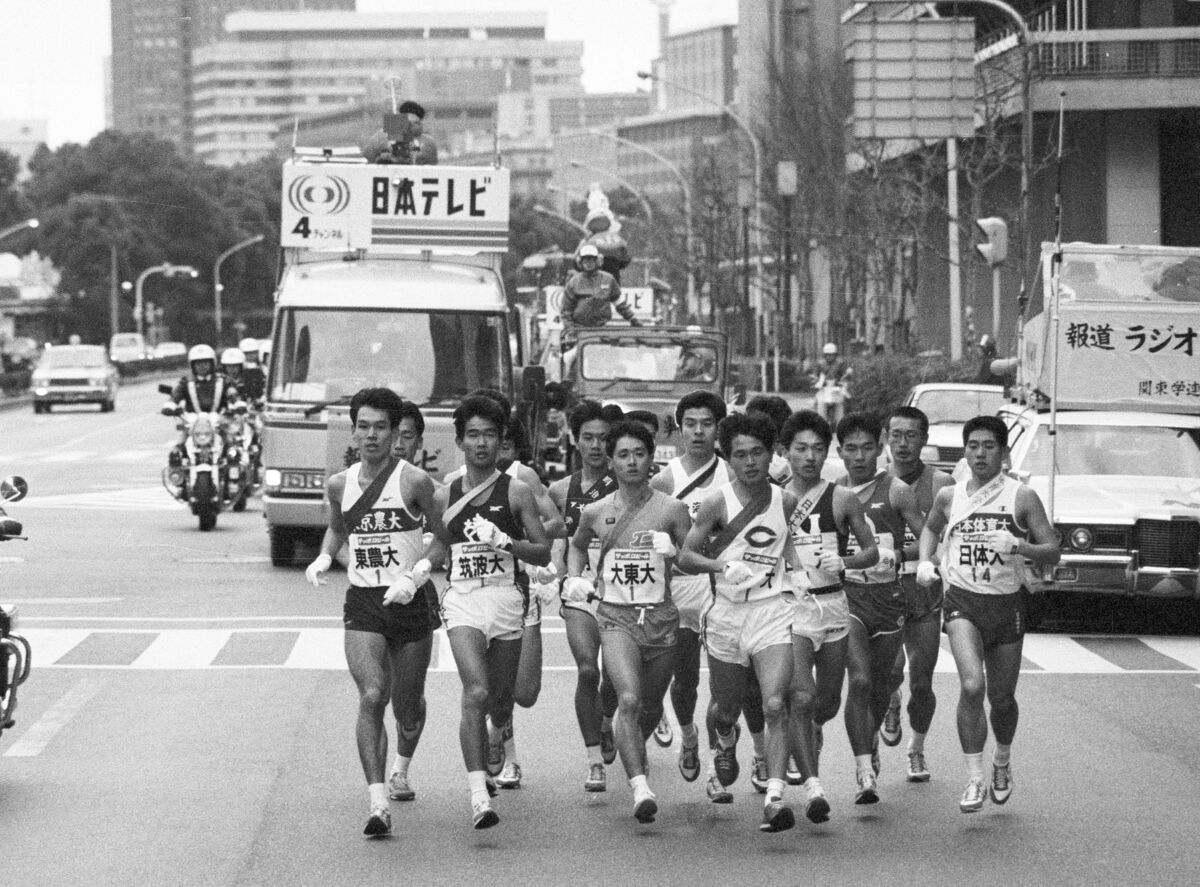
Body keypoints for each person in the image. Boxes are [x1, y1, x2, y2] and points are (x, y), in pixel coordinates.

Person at [303, 388, 441, 837]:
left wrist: (416, 575)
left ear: (394, 432)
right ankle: (378, 802)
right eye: (363, 426)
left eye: (381, 427)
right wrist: (325, 557)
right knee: (371, 695)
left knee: (407, 707)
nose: (372, 435)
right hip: (364, 602)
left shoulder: (415, 482)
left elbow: (445, 540)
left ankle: (403, 762)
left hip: (409, 603)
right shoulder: (340, 484)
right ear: (353, 430)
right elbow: (337, 529)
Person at [916, 415, 1059, 814]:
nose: (980, 453)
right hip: (963, 601)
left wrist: (1018, 545)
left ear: (1004, 452)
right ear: (965, 451)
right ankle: (975, 778)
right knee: (972, 686)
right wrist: (926, 560)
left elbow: (1053, 550)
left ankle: (1002, 761)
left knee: (1002, 699)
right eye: (973, 446)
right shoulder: (950, 495)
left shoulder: (1022, 497)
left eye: (989, 446)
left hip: (1006, 604)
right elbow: (931, 527)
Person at [429, 395, 550, 829]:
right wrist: (420, 569)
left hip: (506, 600)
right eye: (473, 435)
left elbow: (542, 550)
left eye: (490, 435)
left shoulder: (516, 491)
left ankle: (499, 734)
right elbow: (438, 543)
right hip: (462, 599)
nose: (482, 443)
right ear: (460, 441)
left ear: (502, 442)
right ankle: (480, 794)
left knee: (501, 701)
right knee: (474, 692)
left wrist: (506, 543)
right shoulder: (445, 493)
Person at [678, 412, 800, 833]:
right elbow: (685, 556)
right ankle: (725, 738)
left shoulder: (785, 501)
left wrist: (804, 583)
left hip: (772, 612)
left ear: (771, 454)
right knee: (726, 708)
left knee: (774, 704)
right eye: (740, 455)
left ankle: (775, 797)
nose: (750, 462)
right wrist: (720, 565)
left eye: (758, 453)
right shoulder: (716, 503)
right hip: (726, 615)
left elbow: (791, 553)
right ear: (728, 458)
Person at [567, 420, 691, 824]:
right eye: (623, 454)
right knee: (630, 699)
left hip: (661, 620)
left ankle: (623, 739)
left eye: (639, 453)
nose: (632, 461)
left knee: (650, 705)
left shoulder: (672, 509)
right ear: (612, 461)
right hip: (615, 619)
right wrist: (576, 577)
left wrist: (672, 548)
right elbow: (576, 546)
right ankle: (640, 787)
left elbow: (691, 559)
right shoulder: (595, 512)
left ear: (651, 457)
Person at [781, 410, 878, 824]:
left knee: (828, 702)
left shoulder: (841, 497)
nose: (809, 457)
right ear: (784, 452)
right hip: (792, 608)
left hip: (834, 604)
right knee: (800, 697)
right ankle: (813, 786)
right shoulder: (772, 498)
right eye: (800, 449)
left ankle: (812, 730)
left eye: (818, 449)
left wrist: (845, 560)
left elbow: (872, 552)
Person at [649, 391, 738, 795]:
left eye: (707, 424)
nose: (698, 432)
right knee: (684, 683)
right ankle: (688, 735)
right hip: (681, 591)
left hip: (725, 589)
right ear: (679, 428)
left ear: (719, 428)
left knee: (726, 688)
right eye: (690, 424)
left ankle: (720, 758)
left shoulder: (736, 474)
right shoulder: (664, 480)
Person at [835, 413, 925, 805]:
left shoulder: (898, 490)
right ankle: (863, 769)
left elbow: (930, 541)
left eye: (867, 447)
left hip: (889, 602)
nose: (859, 456)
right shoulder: (833, 493)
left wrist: (899, 554)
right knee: (858, 679)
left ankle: (870, 735)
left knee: (882, 682)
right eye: (850, 449)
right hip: (848, 599)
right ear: (839, 452)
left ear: (881, 445)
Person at [548, 400, 621, 791]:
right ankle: (594, 760)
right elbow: (555, 542)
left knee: (613, 678)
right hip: (579, 592)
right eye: (588, 438)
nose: (596, 446)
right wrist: (558, 575)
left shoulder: (629, 484)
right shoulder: (560, 490)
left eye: (604, 439)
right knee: (588, 670)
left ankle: (607, 720)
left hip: (624, 592)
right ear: (574, 440)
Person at [880, 406, 956, 782]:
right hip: (883, 592)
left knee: (922, 681)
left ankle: (917, 749)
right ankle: (889, 701)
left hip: (924, 592)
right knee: (890, 671)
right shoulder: (872, 482)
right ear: (886, 437)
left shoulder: (942, 484)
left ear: (924, 440)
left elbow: (946, 538)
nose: (903, 443)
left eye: (912, 435)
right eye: (896, 435)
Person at [164, 344, 244, 461]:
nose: (202, 366)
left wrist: (238, 404)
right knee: (178, 450)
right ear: (192, 365)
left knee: (232, 448)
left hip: (218, 419)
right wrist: (170, 406)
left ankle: (234, 471)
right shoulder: (186, 382)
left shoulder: (222, 380)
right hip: (192, 420)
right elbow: (176, 395)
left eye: (205, 363)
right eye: (198, 363)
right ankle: (177, 473)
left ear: (212, 364)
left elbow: (232, 393)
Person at [560, 244, 639, 343]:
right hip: (580, 331)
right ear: (580, 262)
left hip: (602, 329)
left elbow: (619, 303)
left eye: (591, 259)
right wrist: (571, 331)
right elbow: (566, 311)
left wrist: (632, 318)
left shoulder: (608, 279)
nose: (588, 263)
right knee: (569, 357)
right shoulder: (573, 283)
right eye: (585, 260)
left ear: (597, 261)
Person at [813, 343, 851, 426]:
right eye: (828, 355)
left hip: (836, 389)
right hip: (824, 389)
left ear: (835, 355)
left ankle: (840, 425)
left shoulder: (840, 364)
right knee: (819, 403)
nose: (830, 357)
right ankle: (821, 425)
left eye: (832, 355)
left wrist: (842, 380)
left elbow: (845, 376)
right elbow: (815, 376)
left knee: (841, 404)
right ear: (824, 355)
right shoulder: (820, 364)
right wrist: (817, 381)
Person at [237, 337, 267, 403]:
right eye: (247, 353)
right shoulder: (239, 369)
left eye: (253, 353)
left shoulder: (263, 368)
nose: (250, 356)